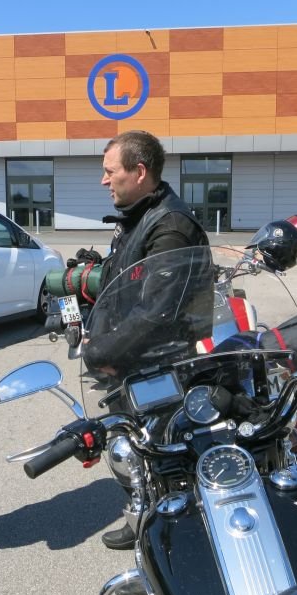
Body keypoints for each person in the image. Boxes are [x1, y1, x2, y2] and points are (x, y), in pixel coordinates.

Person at [84, 130, 210, 550]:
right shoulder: (139, 215)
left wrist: (103, 351)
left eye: (110, 171)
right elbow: (126, 282)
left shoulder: (170, 224)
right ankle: (143, 516)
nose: (104, 180)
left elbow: (158, 312)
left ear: (139, 172)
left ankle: (168, 543)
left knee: (161, 452)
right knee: (134, 447)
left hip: (158, 361)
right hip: (132, 357)